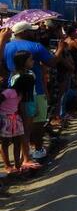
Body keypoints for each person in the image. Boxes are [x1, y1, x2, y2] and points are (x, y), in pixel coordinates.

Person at [4, 22, 65, 163]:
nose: (34, 33)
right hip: (35, 91)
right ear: (24, 32)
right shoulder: (35, 46)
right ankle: (36, 149)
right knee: (37, 122)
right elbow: (52, 62)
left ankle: (22, 157)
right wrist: (60, 49)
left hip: (13, 91)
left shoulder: (5, 47)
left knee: (19, 125)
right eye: (31, 31)